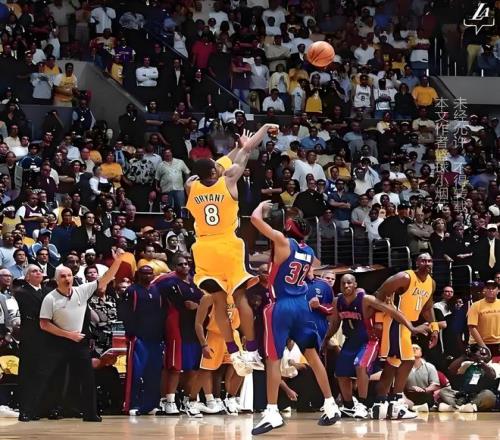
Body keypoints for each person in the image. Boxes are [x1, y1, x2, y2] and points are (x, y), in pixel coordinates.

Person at [185, 125, 278, 376]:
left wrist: (235, 148)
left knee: (218, 302)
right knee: (239, 298)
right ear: (214, 172)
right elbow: (248, 150)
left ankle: (234, 352)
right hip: (227, 245)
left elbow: (222, 162)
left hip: (203, 248)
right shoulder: (228, 180)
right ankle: (251, 350)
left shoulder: (191, 186)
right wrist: (263, 130)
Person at [250, 201, 341, 435]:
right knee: (312, 355)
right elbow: (309, 274)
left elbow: (255, 219)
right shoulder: (309, 251)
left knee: (273, 359)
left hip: (281, 305)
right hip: (302, 305)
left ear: (288, 227)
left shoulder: (283, 242)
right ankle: (330, 404)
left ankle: (272, 411)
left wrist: (260, 206)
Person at [26, 250, 124, 422]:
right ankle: (30, 411)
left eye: (69, 275)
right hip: (57, 342)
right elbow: (44, 324)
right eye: (63, 276)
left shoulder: (82, 291)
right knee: (45, 376)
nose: (67, 278)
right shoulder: (50, 298)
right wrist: (68, 335)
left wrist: (117, 261)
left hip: (79, 343)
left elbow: (105, 279)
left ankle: (90, 413)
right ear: (57, 280)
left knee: (87, 378)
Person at [323, 274, 429, 419]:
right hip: (350, 341)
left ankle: (363, 405)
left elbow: (393, 311)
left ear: (355, 285)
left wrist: (412, 328)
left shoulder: (366, 299)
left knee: (361, 365)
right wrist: (326, 339)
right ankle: (348, 406)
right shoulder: (337, 301)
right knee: (340, 372)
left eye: (349, 283)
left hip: (369, 341)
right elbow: (335, 323)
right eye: (343, 283)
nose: (346, 286)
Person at [371, 253, 439, 420]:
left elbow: (427, 308)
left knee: (392, 363)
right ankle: (396, 403)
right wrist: (378, 319)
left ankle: (380, 404)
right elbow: (379, 293)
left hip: (407, 326)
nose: (427, 263)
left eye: (430, 261)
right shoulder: (404, 277)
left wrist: (435, 328)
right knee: (408, 360)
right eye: (423, 260)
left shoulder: (431, 283)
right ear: (416, 262)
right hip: (395, 322)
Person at [120, 265, 166, 416]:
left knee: (154, 373)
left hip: (156, 338)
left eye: (150, 273)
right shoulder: (132, 291)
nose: (147, 276)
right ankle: (133, 404)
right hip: (139, 338)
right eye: (144, 273)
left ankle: (151, 405)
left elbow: (163, 313)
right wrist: (131, 333)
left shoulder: (157, 290)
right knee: (136, 372)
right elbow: (125, 313)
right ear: (138, 275)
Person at [15, 265, 46, 422]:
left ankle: (37, 408)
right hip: (30, 337)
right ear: (27, 277)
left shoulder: (47, 292)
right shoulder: (22, 292)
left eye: (40, 271)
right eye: (34, 271)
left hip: (46, 338)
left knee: (41, 374)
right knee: (28, 374)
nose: (38, 272)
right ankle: (25, 410)